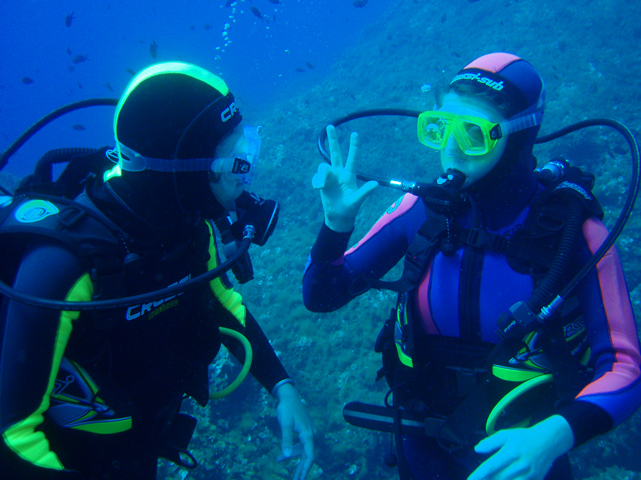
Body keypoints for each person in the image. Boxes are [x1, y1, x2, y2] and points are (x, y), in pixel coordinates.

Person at [303, 52, 641, 479]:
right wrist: (336, 226)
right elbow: (322, 296)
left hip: (523, 457)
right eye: (439, 127)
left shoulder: (575, 232)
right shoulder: (417, 211)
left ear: (519, 136)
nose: (450, 148)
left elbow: (625, 368)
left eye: (473, 134)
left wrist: (556, 434)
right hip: (421, 446)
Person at [0, 62, 315, 480]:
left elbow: (223, 304)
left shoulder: (190, 228)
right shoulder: (64, 265)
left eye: (247, 151)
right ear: (179, 170)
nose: (246, 172)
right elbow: (14, 434)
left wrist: (281, 385)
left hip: (137, 443)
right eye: (232, 159)